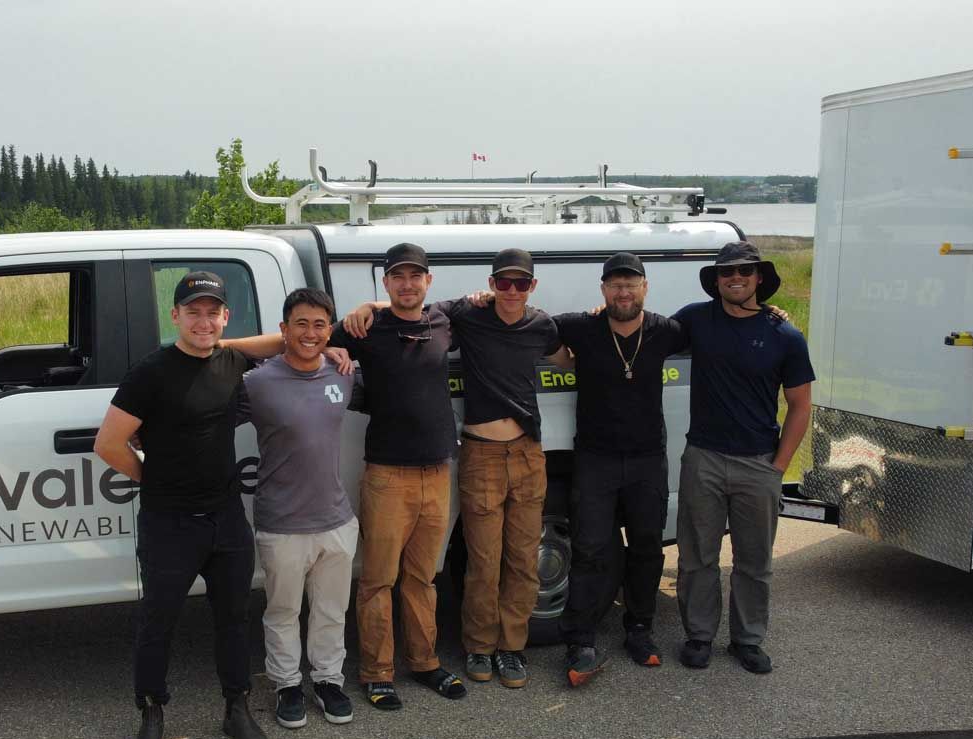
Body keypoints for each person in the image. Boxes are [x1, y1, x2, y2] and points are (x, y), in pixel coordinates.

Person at [344, 248, 568, 690]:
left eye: (520, 283)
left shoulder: (541, 324)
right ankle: (479, 647)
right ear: (490, 283)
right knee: (482, 561)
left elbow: (570, 356)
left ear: (532, 287)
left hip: (528, 452)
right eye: (502, 282)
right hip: (479, 452)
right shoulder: (466, 315)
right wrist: (367, 305)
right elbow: (402, 313)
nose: (510, 290)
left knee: (522, 561)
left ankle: (511, 650)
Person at [94, 270, 270, 739]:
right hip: (169, 522)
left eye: (212, 311)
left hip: (226, 519)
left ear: (226, 317)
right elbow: (107, 445)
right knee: (158, 623)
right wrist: (154, 479)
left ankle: (236, 709)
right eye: (192, 311)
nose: (203, 319)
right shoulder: (150, 372)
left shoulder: (231, 358)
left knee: (233, 619)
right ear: (174, 316)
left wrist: (347, 332)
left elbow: (294, 337)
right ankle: (151, 714)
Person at [326, 242, 468, 710]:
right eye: (397, 277)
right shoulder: (366, 328)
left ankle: (424, 662)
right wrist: (335, 351)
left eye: (416, 276)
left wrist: (491, 296)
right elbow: (308, 341)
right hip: (388, 474)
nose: (407, 284)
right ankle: (377, 671)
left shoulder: (444, 319)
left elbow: (488, 303)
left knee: (423, 578)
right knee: (378, 580)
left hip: (438, 471)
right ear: (385, 282)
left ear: (428, 282)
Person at [672, 241, 814, 674]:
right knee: (697, 555)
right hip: (704, 458)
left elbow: (801, 404)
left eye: (745, 272)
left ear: (758, 279)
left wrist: (779, 467)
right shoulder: (695, 319)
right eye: (726, 273)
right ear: (716, 281)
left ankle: (747, 640)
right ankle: (698, 636)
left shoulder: (784, 335)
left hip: (759, 463)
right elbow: (643, 332)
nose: (735, 278)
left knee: (754, 561)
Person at [552, 252, 689, 685]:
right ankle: (580, 638)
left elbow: (719, 323)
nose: (623, 292)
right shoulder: (582, 327)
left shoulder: (666, 330)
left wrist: (768, 307)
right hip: (596, 459)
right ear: (603, 290)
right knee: (590, 549)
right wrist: (565, 361)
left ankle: (640, 629)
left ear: (645, 288)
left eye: (631, 284)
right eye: (615, 285)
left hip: (648, 458)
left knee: (648, 547)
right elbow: (531, 324)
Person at [240, 288, 359, 729]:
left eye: (320, 325)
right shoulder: (257, 383)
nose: (310, 333)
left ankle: (328, 681)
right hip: (282, 523)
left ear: (331, 330)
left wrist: (335, 349)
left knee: (331, 610)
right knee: (283, 610)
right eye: (301, 324)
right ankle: (287, 686)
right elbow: (202, 416)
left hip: (336, 519)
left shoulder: (343, 373)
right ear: (283, 329)